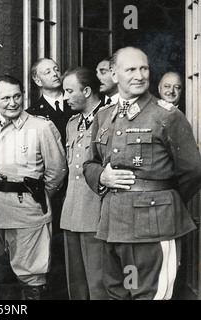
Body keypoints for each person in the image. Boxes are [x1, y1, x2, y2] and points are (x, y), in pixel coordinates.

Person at [83, 46, 201, 300]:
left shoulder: (167, 115)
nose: (139, 75)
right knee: (117, 293)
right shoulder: (104, 116)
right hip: (113, 225)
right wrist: (101, 177)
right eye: (131, 70)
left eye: (144, 68)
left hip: (154, 225)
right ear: (114, 75)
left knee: (151, 295)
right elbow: (90, 164)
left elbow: (192, 170)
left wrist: (164, 201)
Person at [0, 75, 67, 300]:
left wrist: (36, 197)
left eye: (17, 96)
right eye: (5, 97)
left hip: (28, 213)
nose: (12, 102)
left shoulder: (41, 127)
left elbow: (56, 171)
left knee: (32, 275)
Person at [26, 57, 74, 299]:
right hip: (51, 194)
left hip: (78, 190)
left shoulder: (77, 104)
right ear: (37, 80)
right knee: (51, 252)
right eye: (48, 71)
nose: (56, 74)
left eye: (56, 69)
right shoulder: (31, 114)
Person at [60, 67, 107, 300]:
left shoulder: (109, 118)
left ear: (87, 91)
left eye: (69, 91)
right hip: (71, 214)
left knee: (99, 285)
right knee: (76, 286)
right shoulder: (72, 123)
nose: (65, 97)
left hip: (97, 215)